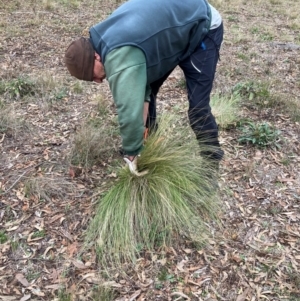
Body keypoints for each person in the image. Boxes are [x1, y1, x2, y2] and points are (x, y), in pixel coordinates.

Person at [64, 0, 224, 176]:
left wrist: (130, 152)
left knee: (198, 107)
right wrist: (136, 143)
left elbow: (129, 109)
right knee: (144, 89)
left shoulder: (120, 55)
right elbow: (140, 93)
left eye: (92, 75)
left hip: (202, 25)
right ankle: (149, 147)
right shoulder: (103, 40)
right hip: (174, 28)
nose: (98, 81)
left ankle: (211, 165)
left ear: (96, 57)